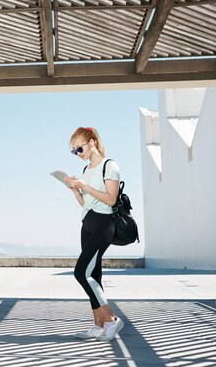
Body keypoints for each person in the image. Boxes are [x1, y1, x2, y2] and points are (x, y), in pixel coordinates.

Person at [63, 127, 124, 342]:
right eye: (73, 151)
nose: (77, 153)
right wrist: (75, 191)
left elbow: (110, 200)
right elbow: (85, 203)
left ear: (91, 142)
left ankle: (111, 320)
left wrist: (85, 186)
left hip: (103, 224)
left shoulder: (110, 165)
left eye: (79, 147)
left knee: (81, 273)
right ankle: (98, 325)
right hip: (87, 223)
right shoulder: (86, 170)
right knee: (94, 275)